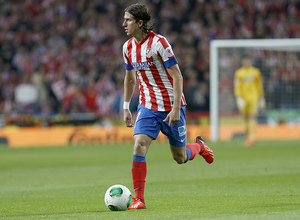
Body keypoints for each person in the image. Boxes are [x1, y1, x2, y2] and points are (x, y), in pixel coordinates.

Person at [122, 3, 214, 210]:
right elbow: (130, 79)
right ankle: (139, 199)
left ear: (140, 22)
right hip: (147, 107)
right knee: (139, 145)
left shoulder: (159, 43)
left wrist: (174, 108)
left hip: (172, 106)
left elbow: (177, 75)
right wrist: (126, 107)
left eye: (128, 20)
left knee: (179, 158)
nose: (124, 24)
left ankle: (199, 146)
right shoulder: (127, 47)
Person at [234, 55, 266, 147]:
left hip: (254, 98)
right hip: (243, 99)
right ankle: (248, 137)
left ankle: (252, 138)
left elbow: (259, 85)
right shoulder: (239, 73)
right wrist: (238, 97)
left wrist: (261, 97)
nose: (247, 62)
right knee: (246, 118)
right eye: (245, 61)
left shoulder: (256, 72)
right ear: (242, 62)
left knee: (253, 116)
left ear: (251, 61)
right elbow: (237, 86)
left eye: (248, 61)